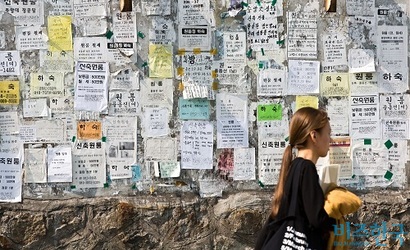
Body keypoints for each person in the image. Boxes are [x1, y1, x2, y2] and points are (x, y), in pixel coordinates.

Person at [255, 107, 336, 250]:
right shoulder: (307, 168)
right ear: (314, 136)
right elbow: (316, 218)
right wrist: (336, 223)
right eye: (328, 133)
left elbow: (279, 214)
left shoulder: (293, 166)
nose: (331, 139)